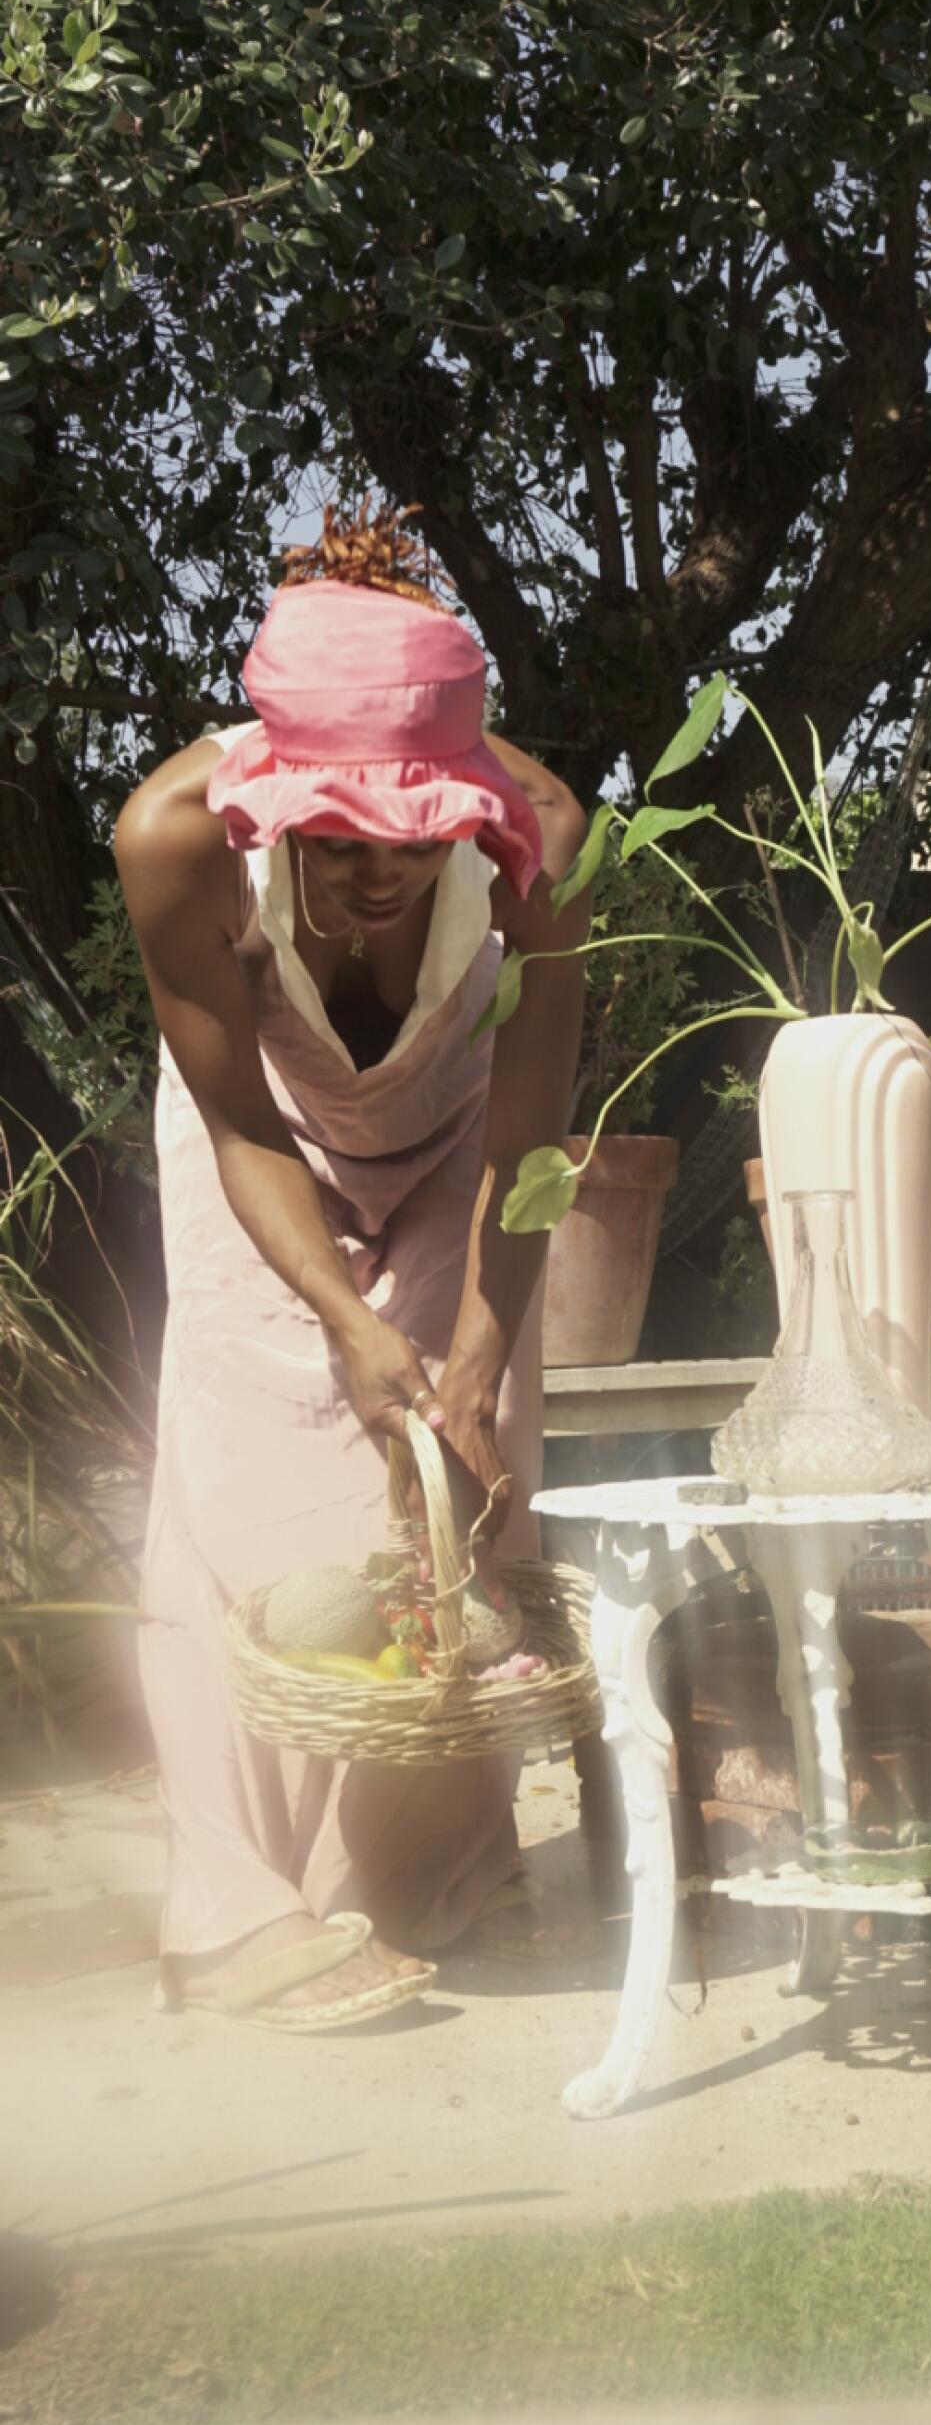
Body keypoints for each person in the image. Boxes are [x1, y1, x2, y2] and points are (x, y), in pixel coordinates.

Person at [115, 503, 588, 2029]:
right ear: (275, 799)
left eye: (417, 836)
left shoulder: (544, 840)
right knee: (245, 1465)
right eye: (335, 840)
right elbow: (241, 1124)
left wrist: (471, 1358)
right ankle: (232, 1909)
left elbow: (535, 1139)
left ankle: (423, 1870)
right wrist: (339, 1318)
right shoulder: (174, 842)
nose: (382, 876)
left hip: (462, 1135)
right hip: (265, 1138)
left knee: (469, 1464)